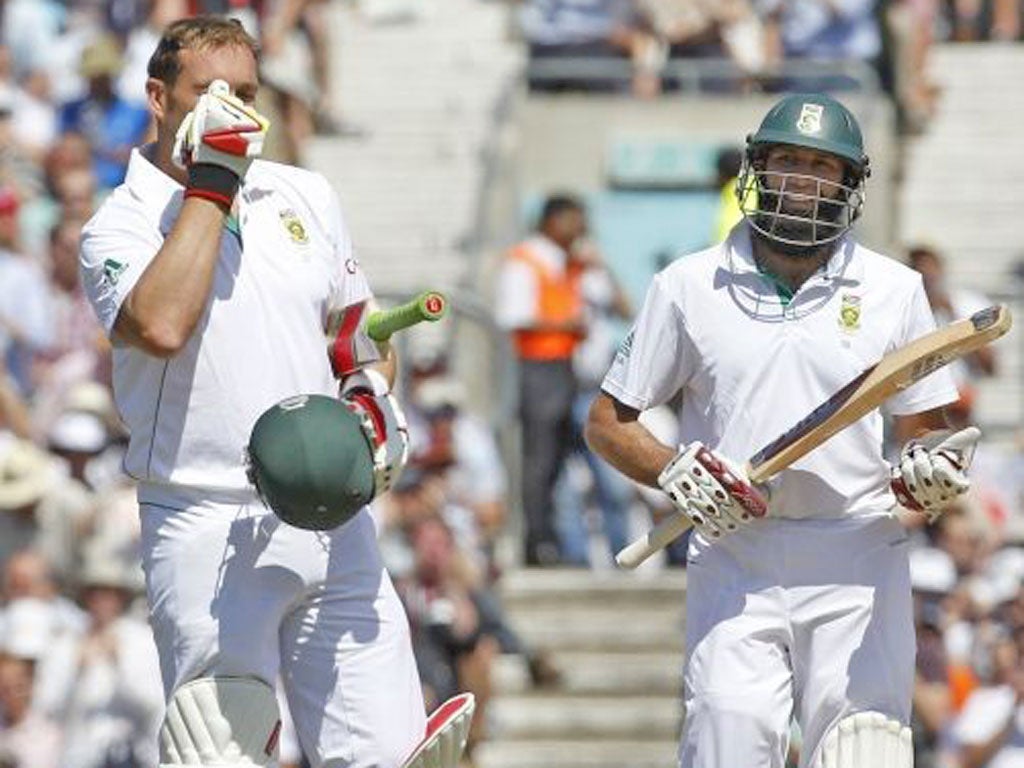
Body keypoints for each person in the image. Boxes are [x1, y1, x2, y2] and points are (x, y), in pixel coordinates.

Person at [77, 16, 469, 768]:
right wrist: (212, 187)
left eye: (246, 94)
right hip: (204, 519)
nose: (231, 112)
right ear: (158, 97)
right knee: (221, 754)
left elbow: (355, 338)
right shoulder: (117, 226)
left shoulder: (305, 194)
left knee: (390, 755)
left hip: (335, 516)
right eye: (208, 92)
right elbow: (160, 323)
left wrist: (369, 401)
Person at [585, 92, 981, 767]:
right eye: (786, 160)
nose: (801, 179)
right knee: (724, 739)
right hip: (736, 551)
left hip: (858, 549)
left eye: (820, 167)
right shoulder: (687, 285)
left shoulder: (895, 289)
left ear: (848, 184)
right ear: (757, 169)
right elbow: (606, 422)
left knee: (867, 750)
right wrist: (672, 471)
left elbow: (923, 432)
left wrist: (928, 472)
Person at [495, 193, 588, 566]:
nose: (581, 228)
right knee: (539, 457)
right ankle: (537, 542)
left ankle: (551, 537)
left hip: (561, 365)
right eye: (575, 219)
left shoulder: (563, 262)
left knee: (555, 457)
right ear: (555, 220)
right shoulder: (525, 261)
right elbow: (512, 316)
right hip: (537, 366)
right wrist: (565, 324)